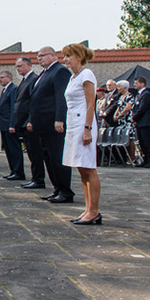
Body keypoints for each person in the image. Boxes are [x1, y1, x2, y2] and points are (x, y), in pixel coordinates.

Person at [61, 43, 100, 225]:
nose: (66, 59)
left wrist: (87, 129)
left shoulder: (86, 74)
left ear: (78, 56)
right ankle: (87, 208)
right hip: (73, 124)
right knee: (81, 168)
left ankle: (94, 210)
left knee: (88, 167)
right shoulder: (73, 77)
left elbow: (90, 103)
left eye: (68, 56)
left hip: (84, 124)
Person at [28, 46, 74, 204]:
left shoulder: (60, 71)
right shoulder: (45, 72)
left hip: (53, 124)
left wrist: (60, 118)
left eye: (42, 55)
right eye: (37, 56)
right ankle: (57, 188)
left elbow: (61, 97)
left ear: (54, 56)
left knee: (57, 158)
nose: (39, 58)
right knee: (48, 157)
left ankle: (66, 191)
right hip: (43, 124)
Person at [13, 56, 40, 189]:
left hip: (28, 122)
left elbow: (33, 102)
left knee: (35, 153)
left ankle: (38, 179)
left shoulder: (33, 79)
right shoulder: (24, 80)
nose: (18, 69)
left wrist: (31, 120)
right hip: (22, 122)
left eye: (20, 66)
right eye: (17, 67)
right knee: (30, 152)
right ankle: (35, 177)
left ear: (29, 65)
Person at [0, 71, 23, 180]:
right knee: (8, 149)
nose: (0, 80)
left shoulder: (13, 89)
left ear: (9, 78)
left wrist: (13, 124)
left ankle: (18, 171)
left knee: (14, 149)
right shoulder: (5, 90)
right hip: (3, 124)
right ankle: (13, 170)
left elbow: (13, 108)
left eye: (2, 77)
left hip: (9, 124)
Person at [131, 77, 150, 168]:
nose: (134, 85)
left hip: (144, 122)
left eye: (136, 83)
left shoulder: (146, 94)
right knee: (141, 142)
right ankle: (145, 159)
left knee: (147, 142)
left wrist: (134, 117)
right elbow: (135, 107)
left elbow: (142, 108)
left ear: (142, 84)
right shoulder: (138, 95)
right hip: (139, 122)